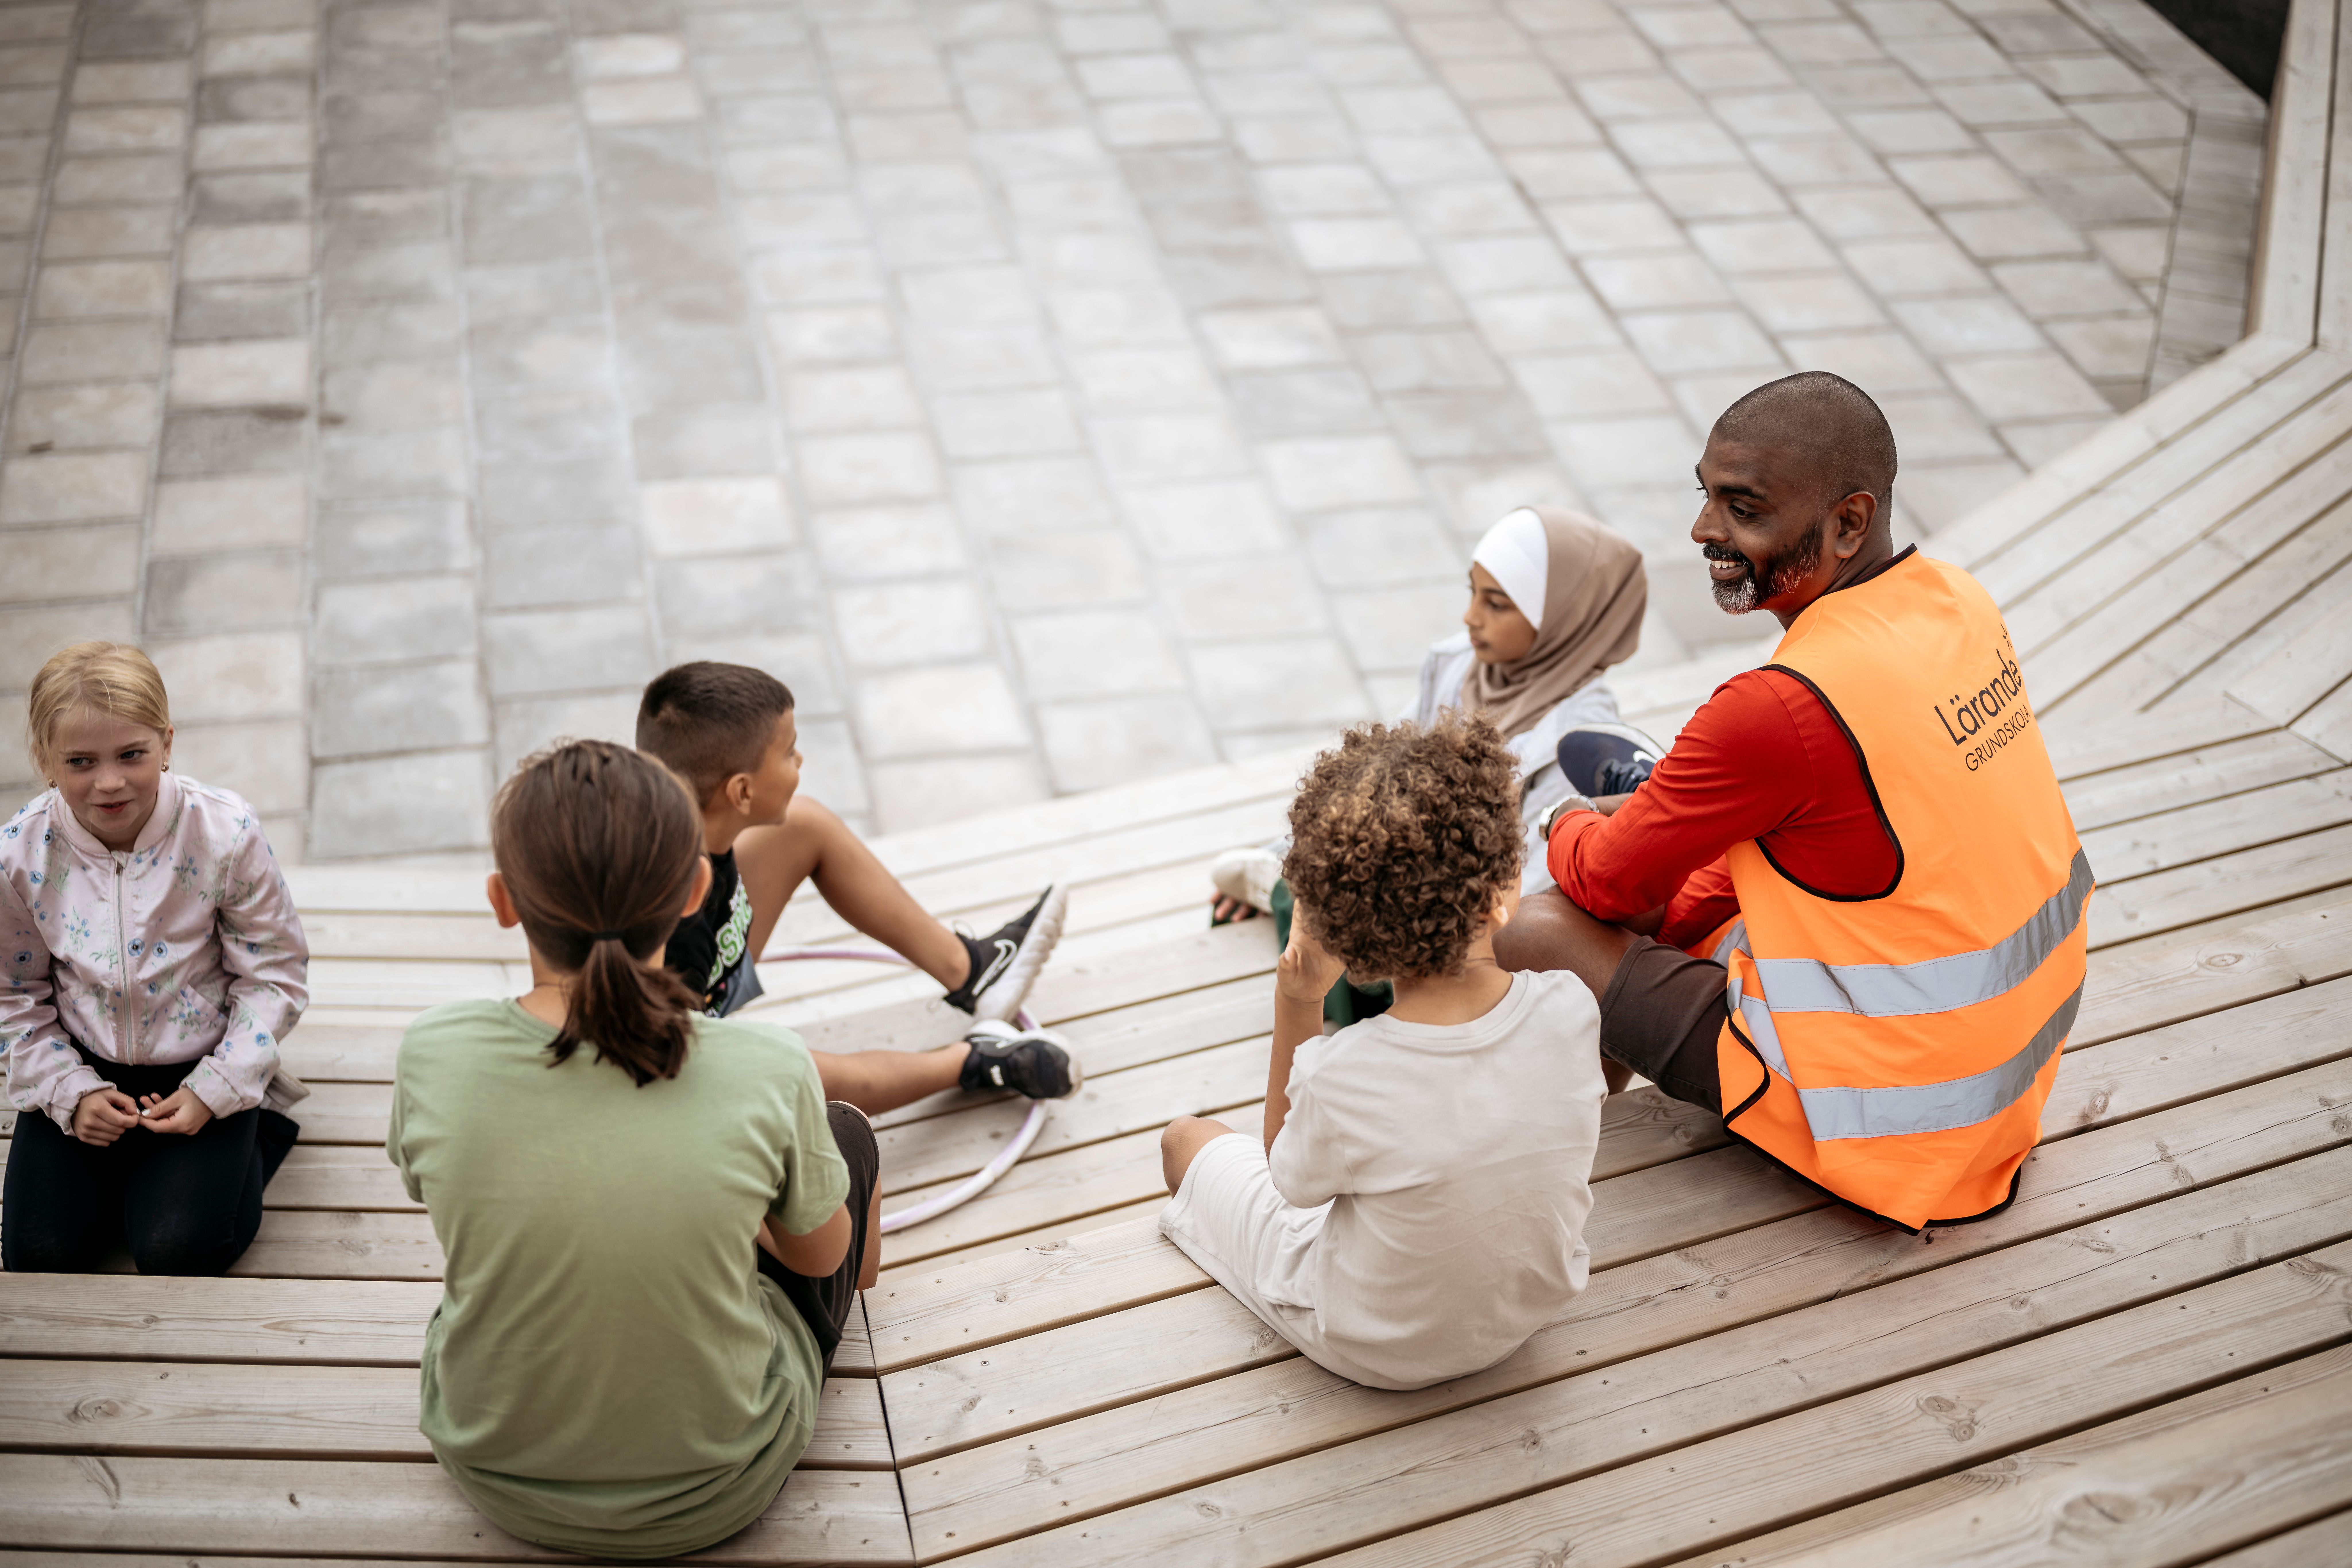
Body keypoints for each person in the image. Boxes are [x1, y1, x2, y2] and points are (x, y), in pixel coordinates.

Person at [1498, 372, 2090, 1233]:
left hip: (1898, 1125)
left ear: (1848, 522)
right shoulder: (1957, 601)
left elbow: (1601, 889)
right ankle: (1663, 801)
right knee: (1692, 881)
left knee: (1536, 924)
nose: (1704, 530)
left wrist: (1561, 819)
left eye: (1742, 508)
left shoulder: (1780, 707)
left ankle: (1542, 1145)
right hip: (2007, 1078)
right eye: (1705, 496)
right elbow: (1848, 841)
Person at [390, 741, 878, 1559]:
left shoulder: (432, 1051)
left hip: (494, 1466)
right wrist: (736, 1208)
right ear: (694, 891)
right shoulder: (766, 1064)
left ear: (504, 901)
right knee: (848, 1135)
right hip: (720, 1484)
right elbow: (821, 1246)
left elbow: (429, 1186)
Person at [1158, 716, 1607, 1391]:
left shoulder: (1346, 1075)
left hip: (1378, 1348)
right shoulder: (1571, 1008)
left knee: (1185, 1140)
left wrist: (1298, 999)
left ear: (1345, 930)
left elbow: (1291, 1185)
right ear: (1507, 885)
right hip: (1521, 1316)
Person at [636, 662, 1079, 1113]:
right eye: (790, 752)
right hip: (689, 1051)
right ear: (743, 793)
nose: (800, 760)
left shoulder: (691, 828)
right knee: (795, 1069)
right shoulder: (674, 923)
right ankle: (973, 1060)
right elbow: (682, 1071)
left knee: (804, 823)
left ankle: (974, 970)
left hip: (708, 985)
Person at [1, 641, 307, 1275]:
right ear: (44, 760)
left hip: (201, 1057)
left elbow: (273, 972)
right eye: (81, 761)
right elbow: (12, 992)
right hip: (82, 1056)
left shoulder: (225, 833)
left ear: (166, 744)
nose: (109, 781)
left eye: (132, 755)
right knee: (39, 1252)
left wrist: (218, 1086)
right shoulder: (21, 854)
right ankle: (135, 1172)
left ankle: (259, 1122)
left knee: (180, 1249)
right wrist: (68, 1089)